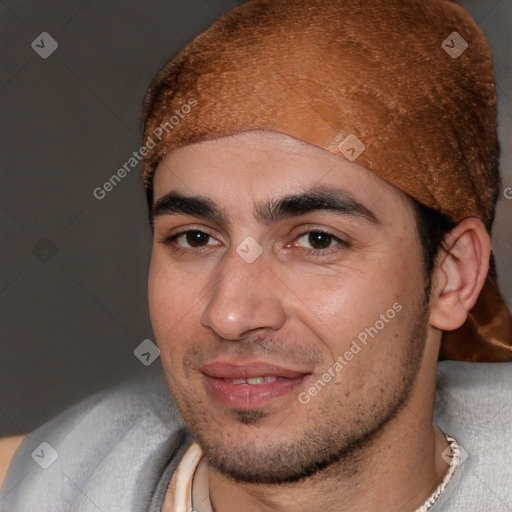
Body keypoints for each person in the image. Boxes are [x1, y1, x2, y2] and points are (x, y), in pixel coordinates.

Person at [1, 0, 511, 510]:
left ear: (451, 275)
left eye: (317, 240)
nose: (229, 315)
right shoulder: (36, 486)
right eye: (196, 238)